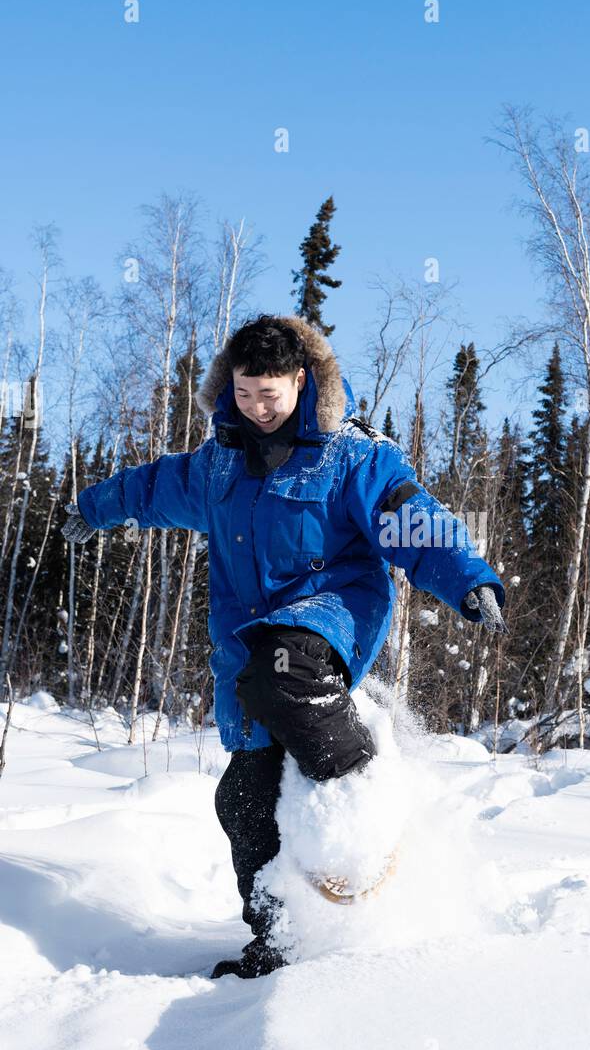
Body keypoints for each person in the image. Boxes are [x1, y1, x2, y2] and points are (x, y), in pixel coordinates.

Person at [62, 314, 507, 979]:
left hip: (331, 616)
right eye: (245, 395)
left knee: (283, 665)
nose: (258, 409)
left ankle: (364, 777)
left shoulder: (352, 455)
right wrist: (94, 508)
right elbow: (149, 486)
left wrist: (469, 580)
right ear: (229, 388)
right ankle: (280, 941)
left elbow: (413, 517)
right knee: (242, 800)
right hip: (248, 652)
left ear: (302, 382)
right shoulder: (216, 467)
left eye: (270, 395)